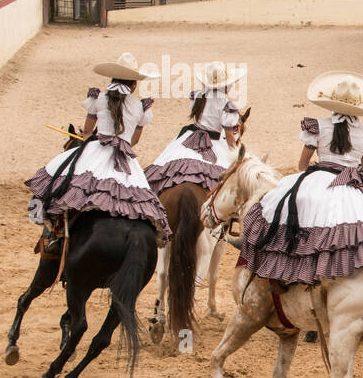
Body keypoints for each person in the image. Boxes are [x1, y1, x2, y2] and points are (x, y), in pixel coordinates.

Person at [239, 72, 363, 285]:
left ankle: (281, 273)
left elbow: (302, 164)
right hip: (348, 184)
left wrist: (310, 175)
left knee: (277, 203)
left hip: (318, 177)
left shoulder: (318, 126)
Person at [26, 52, 171, 246]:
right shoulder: (140, 107)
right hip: (123, 155)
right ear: (134, 84)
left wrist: (91, 144)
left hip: (97, 146)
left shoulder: (99, 99)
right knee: (138, 197)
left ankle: (52, 231)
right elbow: (132, 141)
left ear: (112, 78)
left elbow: (86, 132)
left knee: (59, 182)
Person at [144, 60, 244, 194]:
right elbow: (229, 135)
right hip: (213, 141)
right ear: (226, 85)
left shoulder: (198, 97)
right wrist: (235, 154)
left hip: (191, 136)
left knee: (166, 161)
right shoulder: (227, 105)